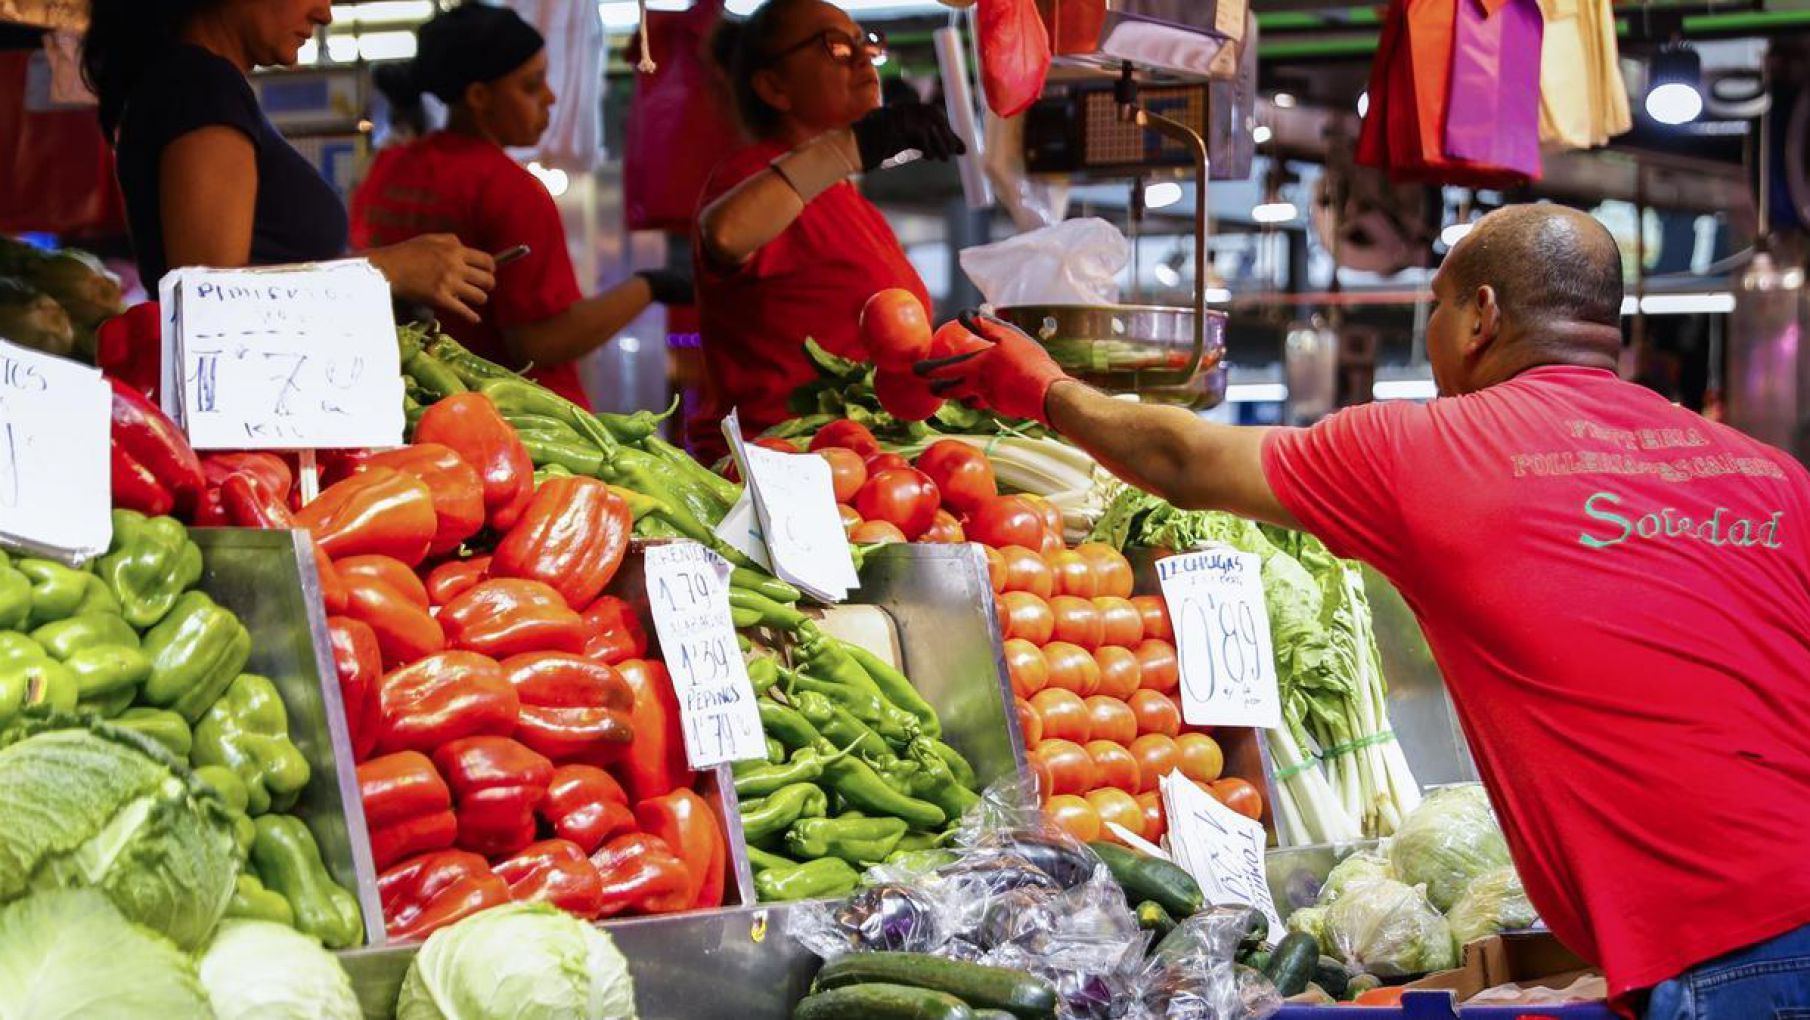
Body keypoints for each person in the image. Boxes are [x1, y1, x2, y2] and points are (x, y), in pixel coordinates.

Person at [923, 204, 1810, 1020]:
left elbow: (1181, 456)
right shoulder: (1768, 472)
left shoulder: (1431, 450)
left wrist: (1039, 387)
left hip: (1731, 959)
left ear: (1480, 315)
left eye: (1434, 304)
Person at [352, 5, 690, 408]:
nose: (550, 98)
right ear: (479, 97)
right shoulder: (508, 188)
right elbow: (540, 342)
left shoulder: (388, 168)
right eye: (531, 86)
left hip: (425, 407)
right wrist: (650, 285)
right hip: (520, 423)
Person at [83, 0, 493, 322]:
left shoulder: (200, 85)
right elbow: (210, 301)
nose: (325, 12)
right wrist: (387, 270)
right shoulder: (200, 87)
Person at [691, 0, 964, 459]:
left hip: (854, 466)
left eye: (865, 44)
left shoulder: (851, 202)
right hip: (780, 468)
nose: (861, 58)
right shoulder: (748, 173)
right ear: (774, 86)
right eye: (835, 46)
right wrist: (855, 145)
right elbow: (725, 233)